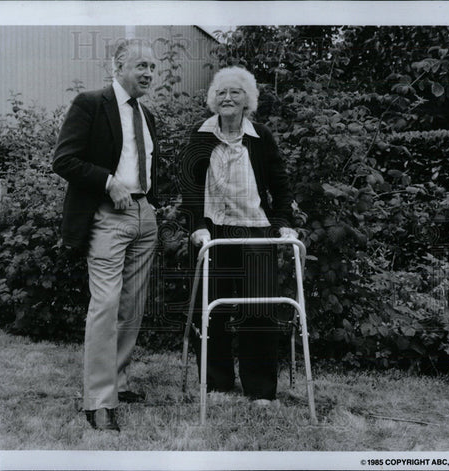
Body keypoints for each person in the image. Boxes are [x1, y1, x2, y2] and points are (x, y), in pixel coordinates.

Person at [52, 39, 159, 432]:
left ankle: (118, 380)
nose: (148, 73)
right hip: (107, 216)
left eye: (152, 67)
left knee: (132, 306)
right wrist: (108, 182)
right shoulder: (90, 103)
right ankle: (98, 400)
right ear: (118, 66)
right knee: (106, 304)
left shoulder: (147, 115)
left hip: (143, 215)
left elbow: (143, 163)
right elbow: (64, 159)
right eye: (140, 66)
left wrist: (149, 205)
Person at [180, 66, 298, 405]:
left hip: (255, 230)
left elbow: (280, 184)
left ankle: (260, 389)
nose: (227, 98)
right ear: (212, 100)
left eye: (235, 92)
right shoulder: (199, 135)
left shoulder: (261, 136)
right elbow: (189, 187)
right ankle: (216, 384)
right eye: (221, 93)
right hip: (212, 232)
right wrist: (196, 226)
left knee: (258, 310)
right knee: (212, 309)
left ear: (248, 100)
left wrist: (283, 220)